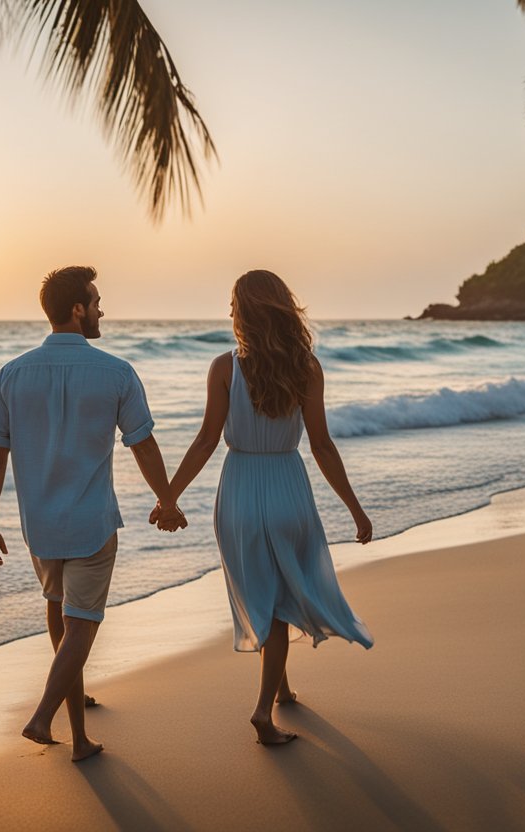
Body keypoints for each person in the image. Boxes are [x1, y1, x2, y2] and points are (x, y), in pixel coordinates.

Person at [151, 269, 374, 745]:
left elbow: (206, 441)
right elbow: (323, 446)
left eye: (233, 304)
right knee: (279, 597)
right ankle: (270, 703)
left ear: (246, 312)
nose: (229, 312)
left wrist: (168, 497)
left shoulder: (223, 367)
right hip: (288, 485)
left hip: (239, 491)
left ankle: (274, 695)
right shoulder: (306, 366)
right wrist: (355, 509)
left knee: (263, 596)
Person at [0, 265, 186, 762]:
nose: (101, 308)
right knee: (82, 627)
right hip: (91, 525)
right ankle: (42, 717)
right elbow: (143, 443)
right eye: (95, 300)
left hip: (40, 528)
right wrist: (167, 500)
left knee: (63, 619)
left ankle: (80, 738)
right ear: (77, 309)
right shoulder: (115, 371)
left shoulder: (11, 373)